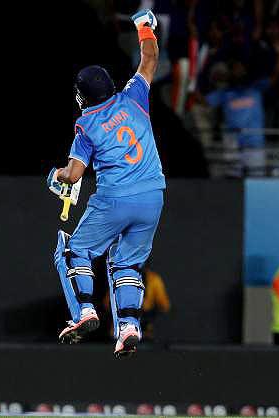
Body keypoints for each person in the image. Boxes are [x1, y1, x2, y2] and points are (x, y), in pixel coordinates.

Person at [47, 9, 165, 357]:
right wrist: (144, 26)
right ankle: (129, 326)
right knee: (127, 263)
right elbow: (150, 57)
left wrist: (55, 176)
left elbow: (74, 175)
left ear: (83, 95)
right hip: (153, 196)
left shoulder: (86, 125)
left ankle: (84, 310)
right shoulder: (134, 97)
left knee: (74, 250)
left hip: (114, 199)